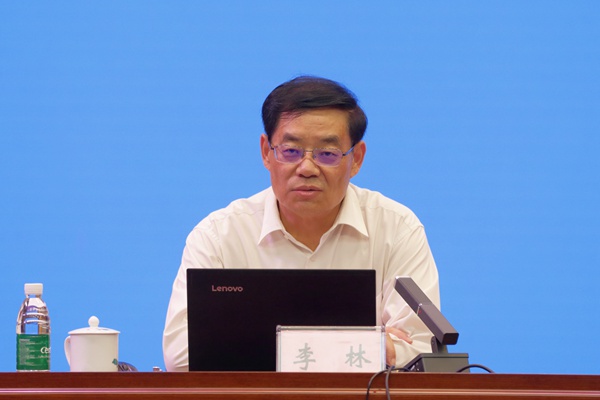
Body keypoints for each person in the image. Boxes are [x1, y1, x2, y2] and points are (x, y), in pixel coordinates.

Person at [163, 75, 440, 372]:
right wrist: (366, 344)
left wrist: (247, 342)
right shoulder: (219, 236)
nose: (307, 168)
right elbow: (182, 357)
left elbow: (423, 350)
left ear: (357, 158)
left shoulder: (397, 229)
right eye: (291, 151)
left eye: (327, 154)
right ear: (266, 152)